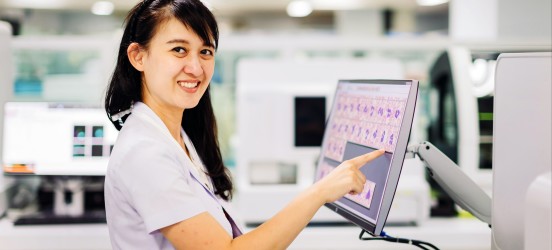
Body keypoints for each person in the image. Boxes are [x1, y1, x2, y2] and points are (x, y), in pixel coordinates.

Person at [103, 0, 385, 249]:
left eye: (205, 52)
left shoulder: (178, 139)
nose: (196, 68)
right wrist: (320, 192)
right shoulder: (145, 153)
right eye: (179, 50)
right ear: (138, 56)